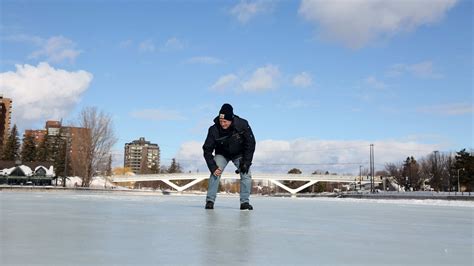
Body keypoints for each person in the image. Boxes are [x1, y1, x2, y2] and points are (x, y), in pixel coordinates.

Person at [203, 103, 256, 210]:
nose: (222, 124)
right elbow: (207, 149)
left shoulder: (242, 124)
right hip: (222, 153)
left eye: (225, 121)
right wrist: (212, 166)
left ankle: (244, 202)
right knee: (216, 171)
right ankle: (210, 200)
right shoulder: (213, 129)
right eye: (221, 121)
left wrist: (246, 162)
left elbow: (250, 144)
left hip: (239, 154)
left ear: (231, 119)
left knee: (246, 173)